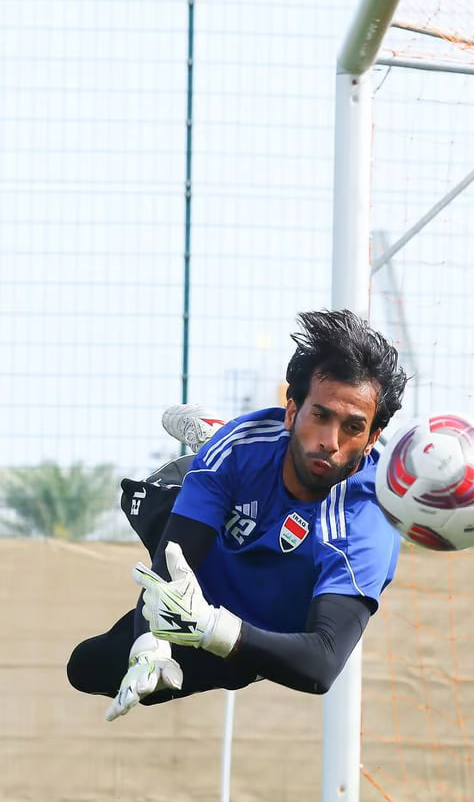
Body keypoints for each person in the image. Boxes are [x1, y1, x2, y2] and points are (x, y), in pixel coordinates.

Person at [67, 309, 408, 721]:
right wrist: (149, 647)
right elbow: (172, 563)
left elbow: (322, 663)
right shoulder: (240, 450)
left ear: (372, 439)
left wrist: (212, 628)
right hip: (211, 565)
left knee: (92, 667)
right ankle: (215, 441)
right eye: (320, 416)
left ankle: (221, 461)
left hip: (255, 632)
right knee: (85, 666)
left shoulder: (366, 522)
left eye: (353, 427)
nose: (330, 441)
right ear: (292, 411)